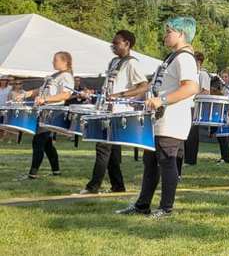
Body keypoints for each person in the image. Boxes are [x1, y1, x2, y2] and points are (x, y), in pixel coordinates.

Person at [116, 17, 200, 218]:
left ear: (181, 34)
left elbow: (191, 87)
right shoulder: (173, 57)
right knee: (150, 162)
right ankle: (142, 205)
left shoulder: (185, 58)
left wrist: (161, 100)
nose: (165, 35)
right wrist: (137, 98)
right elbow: (158, 86)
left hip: (172, 120)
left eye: (169, 31)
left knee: (167, 161)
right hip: (159, 120)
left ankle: (165, 208)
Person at [80, 30, 149, 195]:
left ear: (127, 44)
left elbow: (144, 86)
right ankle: (118, 186)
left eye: (116, 43)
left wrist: (120, 95)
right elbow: (109, 86)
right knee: (111, 152)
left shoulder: (132, 63)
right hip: (106, 109)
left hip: (117, 112)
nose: (113, 46)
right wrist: (94, 92)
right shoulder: (113, 62)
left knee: (102, 147)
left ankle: (93, 186)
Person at [17, 51, 74, 180]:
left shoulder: (66, 76)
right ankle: (56, 171)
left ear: (65, 62)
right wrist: (25, 94)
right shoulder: (55, 75)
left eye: (55, 60)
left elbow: (66, 95)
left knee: (38, 141)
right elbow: (40, 90)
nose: (53, 62)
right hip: (44, 110)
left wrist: (45, 99)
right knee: (47, 143)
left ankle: (32, 174)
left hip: (52, 112)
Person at [180, 52, 211, 171]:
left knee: (192, 134)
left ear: (199, 62)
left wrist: (192, 94)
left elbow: (206, 91)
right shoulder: (191, 74)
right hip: (187, 105)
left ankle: (191, 160)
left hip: (195, 106)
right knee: (185, 133)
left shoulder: (203, 74)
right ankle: (185, 157)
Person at [214, 69, 229, 164]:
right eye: (222, 77)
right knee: (220, 136)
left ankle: (226, 158)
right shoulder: (223, 87)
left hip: (227, 114)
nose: (224, 78)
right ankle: (223, 157)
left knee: (223, 136)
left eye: (226, 77)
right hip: (222, 113)